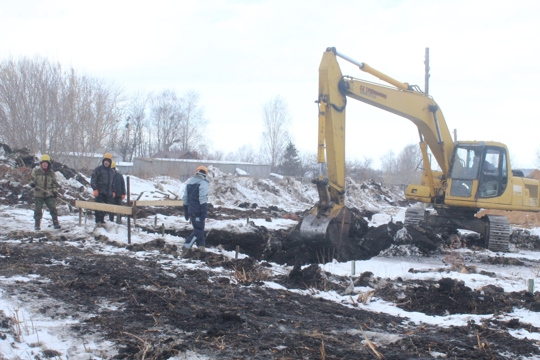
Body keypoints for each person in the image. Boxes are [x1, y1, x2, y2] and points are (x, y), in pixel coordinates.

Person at [29, 154, 61, 230]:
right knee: (38, 210)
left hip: (48, 194)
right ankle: (37, 225)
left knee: (53, 208)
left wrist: (55, 192)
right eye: (43, 162)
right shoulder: (36, 172)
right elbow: (31, 180)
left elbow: (54, 183)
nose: (45, 164)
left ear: (48, 164)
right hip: (38, 194)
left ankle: (56, 223)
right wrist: (32, 184)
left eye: (46, 163)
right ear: (41, 163)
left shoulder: (51, 173)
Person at [182, 165, 209, 252]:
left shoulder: (189, 183)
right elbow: (202, 197)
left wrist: (186, 210)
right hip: (198, 210)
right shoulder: (203, 183)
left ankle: (201, 248)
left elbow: (185, 197)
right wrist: (204, 211)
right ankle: (187, 245)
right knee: (199, 230)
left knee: (199, 229)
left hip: (191, 210)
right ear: (205, 174)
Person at [91, 153, 116, 227]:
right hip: (100, 192)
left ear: (110, 162)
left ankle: (102, 220)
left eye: (108, 161)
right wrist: (95, 189)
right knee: (98, 207)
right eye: (105, 161)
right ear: (103, 161)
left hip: (108, 193)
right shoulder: (98, 170)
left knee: (105, 208)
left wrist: (113, 191)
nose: (106, 162)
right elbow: (93, 180)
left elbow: (113, 183)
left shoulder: (112, 172)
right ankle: (98, 221)